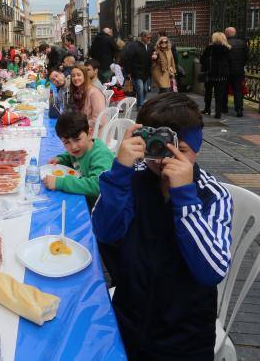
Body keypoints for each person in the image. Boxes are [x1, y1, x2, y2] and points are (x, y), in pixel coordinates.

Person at [92, 93, 233, 359]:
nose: (163, 160)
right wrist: (120, 171)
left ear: (197, 148)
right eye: (156, 146)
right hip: (127, 322)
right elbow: (104, 231)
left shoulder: (211, 196)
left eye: (180, 151)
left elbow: (212, 270)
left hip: (185, 338)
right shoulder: (131, 180)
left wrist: (184, 196)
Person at [44, 111, 115, 206]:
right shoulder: (80, 150)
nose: (73, 147)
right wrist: (61, 159)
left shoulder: (101, 155)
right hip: (86, 199)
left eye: (77, 139)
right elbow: (71, 156)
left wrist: (61, 183)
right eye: (66, 142)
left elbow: (98, 186)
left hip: (103, 207)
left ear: (89, 133)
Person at [200, 32, 232, 119]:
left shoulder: (209, 48)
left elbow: (202, 60)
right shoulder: (227, 49)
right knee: (219, 94)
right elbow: (230, 62)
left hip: (210, 74)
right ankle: (218, 112)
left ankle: (207, 108)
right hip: (222, 75)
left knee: (208, 92)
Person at [69, 64, 106, 133]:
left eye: (79, 75)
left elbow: (99, 121)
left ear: (85, 76)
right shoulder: (78, 92)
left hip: (95, 134)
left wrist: (78, 125)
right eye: (73, 76)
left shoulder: (94, 93)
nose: (75, 78)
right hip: (82, 128)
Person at [122, 31, 153, 106]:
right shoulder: (134, 46)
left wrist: (155, 57)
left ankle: (142, 101)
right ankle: (140, 105)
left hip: (146, 72)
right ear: (142, 37)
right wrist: (128, 72)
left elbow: (152, 56)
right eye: (147, 37)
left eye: (150, 37)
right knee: (140, 89)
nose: (149, 39)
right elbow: (128, 59)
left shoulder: (150, 46)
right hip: (137, 72)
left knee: (145, 89)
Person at [224, 26, 248, 117]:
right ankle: (239, 109)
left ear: (226, 34)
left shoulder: (225, 43)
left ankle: (224, 107)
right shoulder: (242, 43)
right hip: (239, 71)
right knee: (238, 90)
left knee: (224, 89)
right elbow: (246, 57)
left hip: (226, 70)